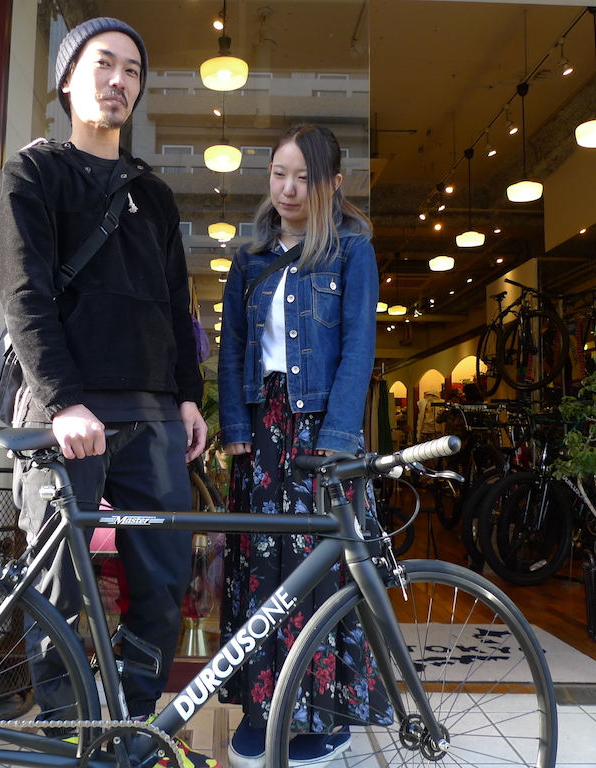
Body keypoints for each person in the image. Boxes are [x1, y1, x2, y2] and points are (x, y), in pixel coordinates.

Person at [0, 18, 213, 765]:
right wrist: (62, 400)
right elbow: (25, 297)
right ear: (66, 79)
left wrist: (189, 396)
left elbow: (176, 304)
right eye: (103, 64)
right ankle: (67, 734)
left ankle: (134, 724)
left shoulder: (154, 194)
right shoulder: (33, 174)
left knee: (164, 576)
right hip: (68, 411)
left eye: (133, 71)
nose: (119, 80)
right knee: (55, 581)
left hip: (151, 410)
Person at [217, 124, 384, 768]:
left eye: (304, 178)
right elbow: (233, 349)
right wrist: (236, 428)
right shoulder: (249, 258)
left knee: (324, 571)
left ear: (333, 184)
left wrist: (338, 438)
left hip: (324, 430)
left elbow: (358, 348)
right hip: (264, 431)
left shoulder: (352, 252)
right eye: (278, 174)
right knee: (263, 568)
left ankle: (324, 714)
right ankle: (263, 708)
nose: (288, 189)